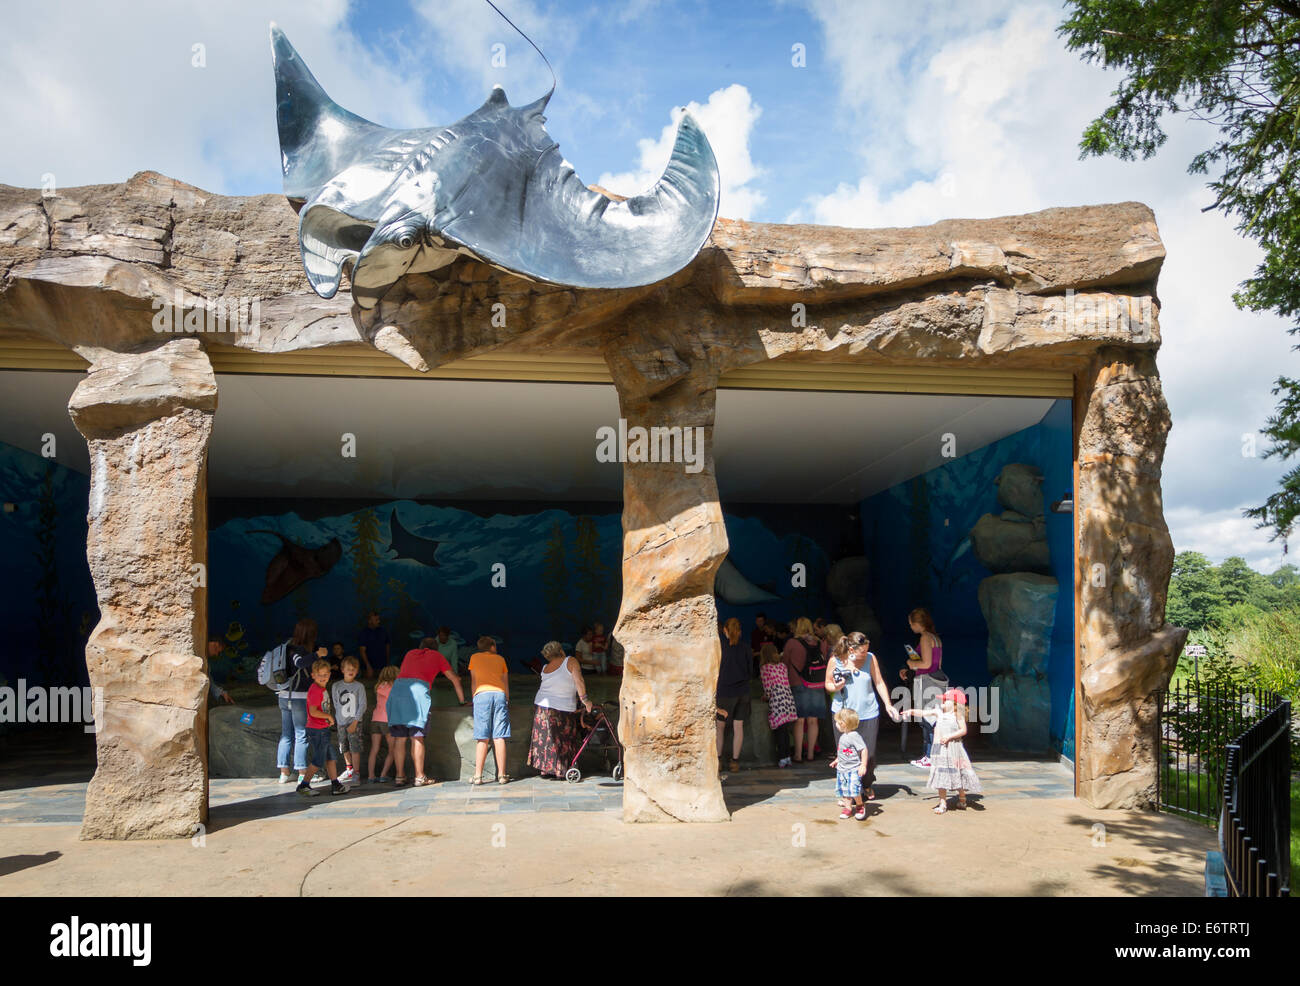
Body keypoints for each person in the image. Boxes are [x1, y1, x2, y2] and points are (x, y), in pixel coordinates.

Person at [824, 631, 900, 800]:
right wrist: (836, 686)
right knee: (846, 755)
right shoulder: (835, 660)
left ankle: (866, 783)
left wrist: (888, 704)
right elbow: (827, 683)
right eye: (862, 651)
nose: (865, 653)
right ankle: (848, 792)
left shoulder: (871, 658)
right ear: (851, 649)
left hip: (868, 712)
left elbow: (878, 682)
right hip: (844, 714)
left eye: (867, 650)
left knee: (869, 754)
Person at [386, 637, 467, 787]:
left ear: (420, 646)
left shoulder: (410, 653)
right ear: (436, 648)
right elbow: (454, 679)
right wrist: (462, 701)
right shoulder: (437, 656)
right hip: (417, 693)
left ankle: (399, 776)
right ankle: (419, 776)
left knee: (400, 738)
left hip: (397, 692)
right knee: (417, 737)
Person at [899, 688, 981, 813]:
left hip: (953, 748)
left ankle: (962, 797)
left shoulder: (957, 715)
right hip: (938, 747)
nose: (942, 701)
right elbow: (923, 713)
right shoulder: (939, 712)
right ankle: (943, 803)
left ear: (954, 703)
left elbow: (963, 730)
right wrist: (911, 711)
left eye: (946, 699)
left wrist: (949, 736)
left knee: (957, 773)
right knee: (940, 773)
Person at [527, 641, 593, 778]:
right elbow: (579, 681)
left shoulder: (545, 667)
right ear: (561, 650)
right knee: (562, 738)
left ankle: (545, 770)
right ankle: (560, 770)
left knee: (545, 739)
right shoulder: (571, 661)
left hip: (541, 707)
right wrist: (585, 700)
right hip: (560, 708)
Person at [276, 618, 328, 785]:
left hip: (284, 696)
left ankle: (284, 773)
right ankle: (301, 772)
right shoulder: (297, 649)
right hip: (297, 697)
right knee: (301, 734)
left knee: (286, 735)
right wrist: (317, 655)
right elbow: (299, 663)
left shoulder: (286, 647)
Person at [299, 659, 352, 797]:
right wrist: (328, 717)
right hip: (318, 730)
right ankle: (304, 785)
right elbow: (313, 711)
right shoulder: (316, 690)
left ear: (329, 674)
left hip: (322, 729)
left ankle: (335, 784)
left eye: (325, 674)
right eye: (319, 675)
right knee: (318, 759)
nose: (323, 677)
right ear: (313, 675)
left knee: (331, 757)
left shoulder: (321, 688)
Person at [902, 608, 945, 769]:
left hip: (927, 682)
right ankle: (934, 754)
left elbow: (926, 664)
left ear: (917, 623)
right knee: (935, 717)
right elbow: (936, 664)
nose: (911, 626)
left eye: (911, 623)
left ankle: (930, 755)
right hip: (937, 680)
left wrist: (911, 663)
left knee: (927, 719)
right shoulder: (936, 638)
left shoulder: (925, 638)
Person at [469, 636, 512, 785]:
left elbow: (473, 681)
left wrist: (474, 698)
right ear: (492, 647)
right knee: (499, 736)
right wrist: (506, 699)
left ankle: (478, 776)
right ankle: (501, 775)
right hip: (499, 694)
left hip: (481, 695)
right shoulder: (500, 659)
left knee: (482, 737)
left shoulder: (474, 658)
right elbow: (505, 682)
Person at [784, 617, 827, 763]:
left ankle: (797, 754)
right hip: (817, 683)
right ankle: (810, 754)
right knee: (813, 721)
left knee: (800, 721)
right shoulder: (820, 643)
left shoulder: (792, 643)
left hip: (798, 682)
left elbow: (785, 663)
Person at [716, 617, 752, 773]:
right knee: (739, 727)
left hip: (724, 692)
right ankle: (735, 762)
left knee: (720, 728)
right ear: (740, 631)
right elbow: (751, 671)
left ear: (724, 630)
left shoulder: (720, 648)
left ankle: (718, 761)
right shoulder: (746, 648)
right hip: (743, 692)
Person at [758, 641, 798, 767]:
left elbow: (768, 688)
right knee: (785, 730)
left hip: (777, 701)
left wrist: (764, 697)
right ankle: (788, 757)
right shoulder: (782, 666)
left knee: (779, 731)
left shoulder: (765, 668)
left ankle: (782, 757)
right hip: (788, 699)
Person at [331, 656, 367, 783]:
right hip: (341, 722)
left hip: (354, 723)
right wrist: (338, 720)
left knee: (355, 747)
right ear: (342, 670)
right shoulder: (336, 686)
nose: (351, 671)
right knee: (344, 747)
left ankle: (356, 772)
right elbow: (335, 704)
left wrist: (355, 722)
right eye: (348, 669)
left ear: (357, 671)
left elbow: (362, 705)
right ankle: (349, 769)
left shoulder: (359, 687)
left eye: (354, 669)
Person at [830, 707, 868, 820]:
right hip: (842, 769)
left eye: (837, 722)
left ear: (843, 724)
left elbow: (864, 749)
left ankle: (860, 805)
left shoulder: (854, 736)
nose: (836, 724)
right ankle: (847, 808)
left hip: (853, 769)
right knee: (845, 790)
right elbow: (843, 751)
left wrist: (863, 765)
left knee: (854, 790)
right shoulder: (843, 737)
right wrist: (837, 760)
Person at [367, 664, 399, 783]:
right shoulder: (393, 687)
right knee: (392, 749)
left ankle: (371, 776)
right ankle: (383, 775)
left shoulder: (378, 686)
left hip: (375, 720)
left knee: (374, 749)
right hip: (388, 721)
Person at [357, 610, 387, 676]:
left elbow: (387, 646)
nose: (379, 621)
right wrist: (368, 666)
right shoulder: (364, 633)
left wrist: (387, 663)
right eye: (376, 620)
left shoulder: (383, 631)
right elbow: (362, 651)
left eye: (379, 619)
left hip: (382, 667)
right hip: (369, 667)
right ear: (369, 621)